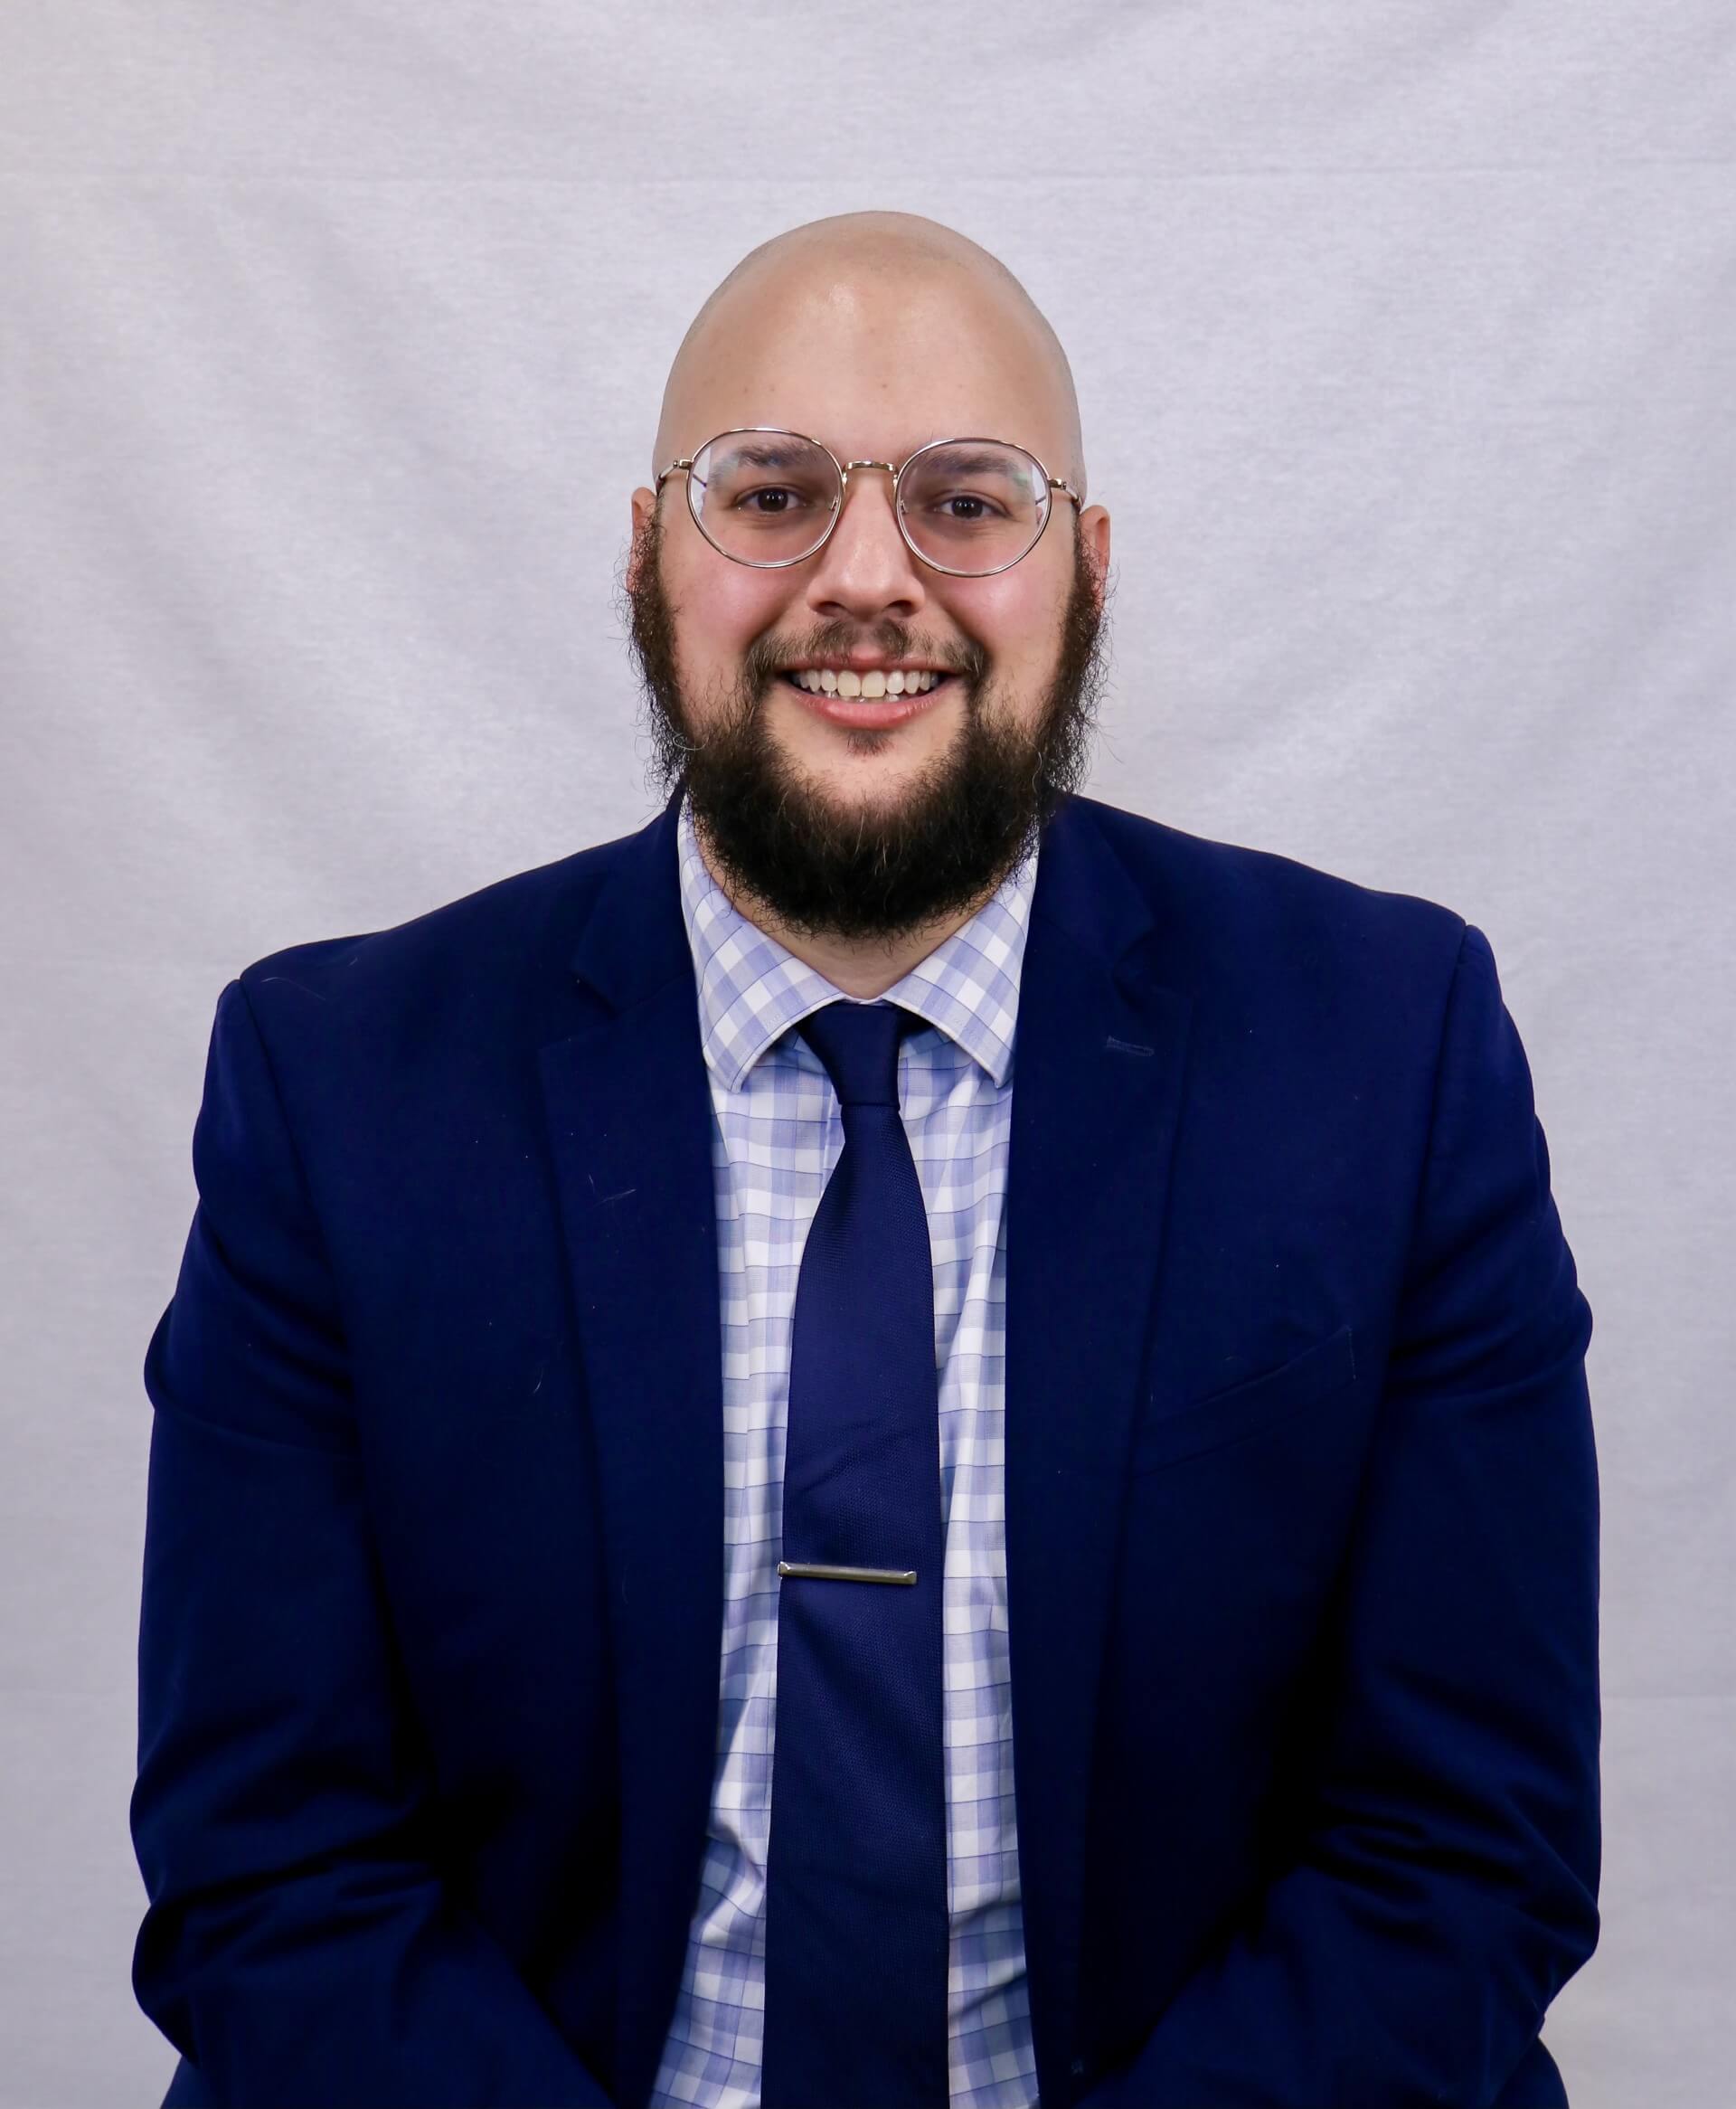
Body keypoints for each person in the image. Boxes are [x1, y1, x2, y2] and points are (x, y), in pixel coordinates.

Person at [129, 210, 1600, 2109]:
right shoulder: (337, 1087)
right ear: (648, 553)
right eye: (774, 494)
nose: (867, 579)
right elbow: (271, 1861)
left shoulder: (1389, 1050)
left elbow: (1462, 1847)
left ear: (1086, 568)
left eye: (967, 504)